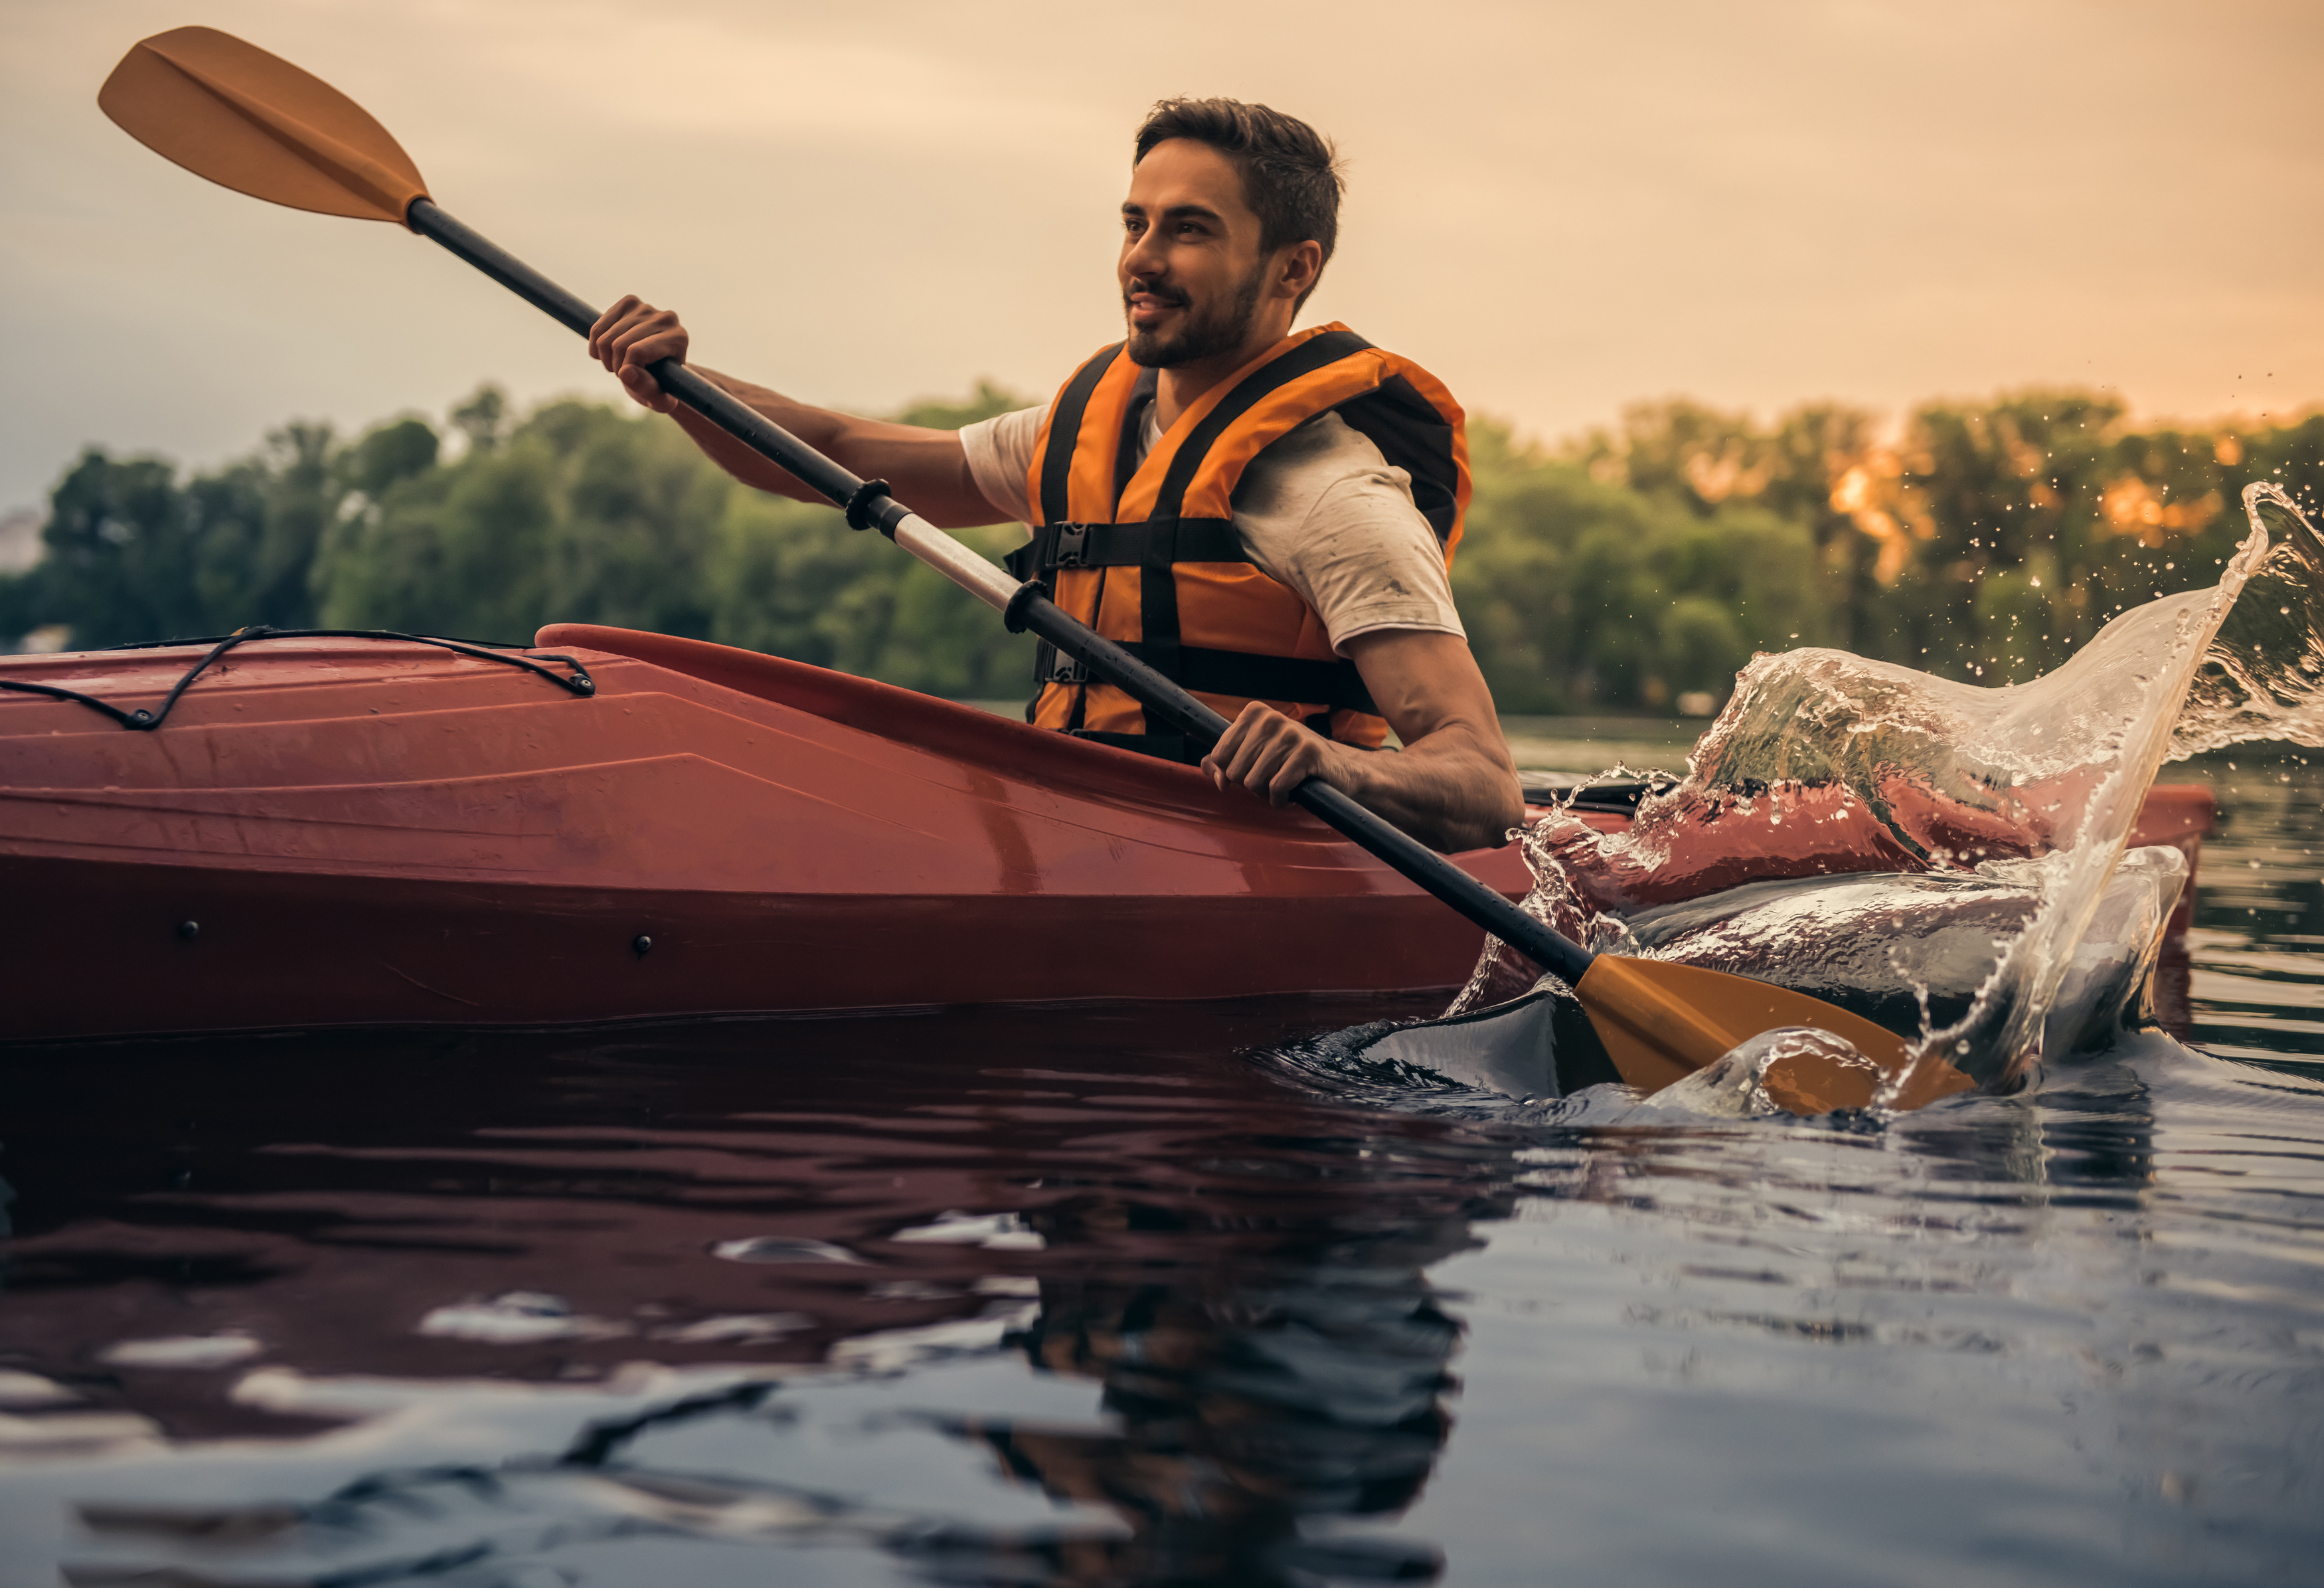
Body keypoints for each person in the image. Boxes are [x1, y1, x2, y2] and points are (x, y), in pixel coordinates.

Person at [588, 98, 1523, 853]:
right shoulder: (1083, 436)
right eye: (1134, 222)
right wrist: (678, 384)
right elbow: (838, 452)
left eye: (1188, 229)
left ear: (1293, 269)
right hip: (1079, 823)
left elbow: (1483, 786)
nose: (1143, 260)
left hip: (1253, 853)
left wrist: (1334, 764)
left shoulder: (1335, 499)